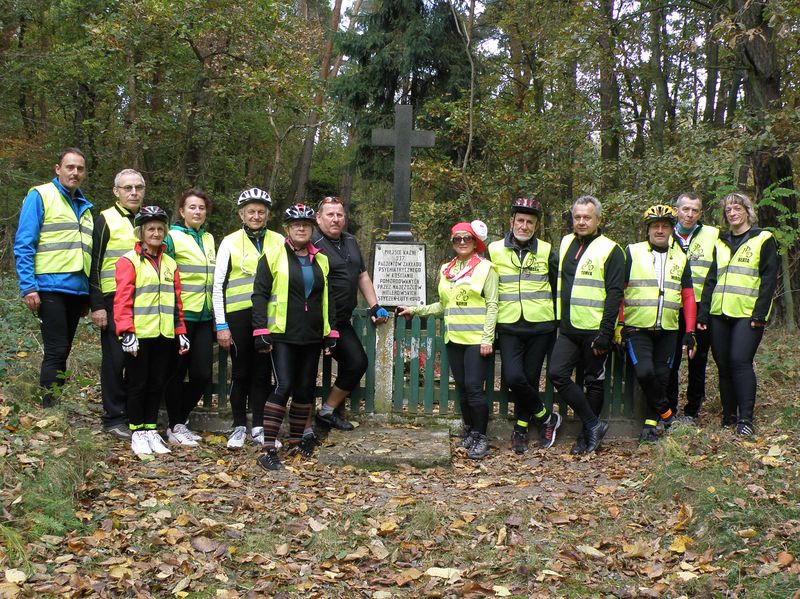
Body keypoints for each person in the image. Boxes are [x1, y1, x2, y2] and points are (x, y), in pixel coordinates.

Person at [398, 220, 498, 460]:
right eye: (457, 239)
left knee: (475, 389)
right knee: (463, 390)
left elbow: (493, 305)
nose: (462, 242)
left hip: (476, 340)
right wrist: (416, 310)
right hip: (454, 338)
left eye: (467, 238)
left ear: (476, 242)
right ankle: (470, 432)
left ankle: (481, 437)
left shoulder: (486, 268)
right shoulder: (447, 269)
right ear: (452, 242)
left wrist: (487, 338)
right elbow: (443, 305)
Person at [251, 204, 336, 471]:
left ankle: (299, 440)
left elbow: (327, 298)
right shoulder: (273, 254)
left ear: (312, 229)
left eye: (306, 225)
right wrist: (261, 330)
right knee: (283, 385)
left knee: (304, 389)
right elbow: (260, 294)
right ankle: (268, 449)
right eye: (295, 224)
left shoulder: (321, 258)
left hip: (311, 335)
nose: (301, 228)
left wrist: (330, 331)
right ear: (287, 229)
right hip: (282, 334)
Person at [14, 148, 94, 407]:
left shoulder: (85, 207)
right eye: (70, 167)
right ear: (57, 169)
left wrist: (87, 295)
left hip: (76, 291)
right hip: (49, 287)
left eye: (80, 169)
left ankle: (54, 401)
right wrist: (28, 287)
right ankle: (49, 407)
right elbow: (24, 243)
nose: (75, 173)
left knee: (64, 350)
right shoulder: (41, 195)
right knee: (56, 350)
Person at [547, 195, 624, 454]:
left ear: (598, 219)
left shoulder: (611, 249)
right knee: (557, 373)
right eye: (577, 217)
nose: (581, 221)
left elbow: (615, 293)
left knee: (593, 380)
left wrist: (606, 333)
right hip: (568, 328)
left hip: (594, 329)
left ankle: (585, 436)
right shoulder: (567, 241)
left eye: (586, 217)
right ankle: (593, 424)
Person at [698, 192, 778, 437]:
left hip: (747, 313)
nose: (732, 213)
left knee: (739, 362)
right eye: (728, 210)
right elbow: (711, 280)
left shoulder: (763, 238)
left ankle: (746, 419)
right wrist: (703, 315)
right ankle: (728, 416)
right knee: (723, 365)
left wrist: (760, 313)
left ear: (747, 211)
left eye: (737, 208)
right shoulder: (720, 242)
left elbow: (768, 280)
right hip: (718, 312)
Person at [617, 205, 697, 443]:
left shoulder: (680, 258)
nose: (660, 230)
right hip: (636, 327)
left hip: (668, 329)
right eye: (655, 226)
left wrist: (690, 331)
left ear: (672, 230)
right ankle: (669, 416)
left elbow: (688, 295)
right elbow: (619, 291)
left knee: (662, 377)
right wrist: (619, 324)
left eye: (664, 226)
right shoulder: (632, 252)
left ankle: (651, 424)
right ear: (648, 229)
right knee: (645, 372)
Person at [113, 206, 190, 456]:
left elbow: (177, 301)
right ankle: (137, 431)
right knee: (138, 384)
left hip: (164, 335)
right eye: (150, 229)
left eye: (159, 229)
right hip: (139, 334)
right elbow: (122, 300)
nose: (155, 233)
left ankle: (150, 429)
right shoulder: (128, 261)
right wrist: (126, 332)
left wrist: (181, 331)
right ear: (141, 232)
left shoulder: (170, 263)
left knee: (157, 383)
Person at [488, 197, 561, 454]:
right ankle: (546, 417)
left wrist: (558, 321)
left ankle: (520, 429)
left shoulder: (546, 250)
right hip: (508, 324)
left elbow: (557, 287)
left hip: (540, 324)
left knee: (530, 378)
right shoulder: (494, 250)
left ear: (536, 226)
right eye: (520, 220)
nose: (524, 225)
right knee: (514, 377)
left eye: (530, 222)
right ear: (511, 222)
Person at [212, 188, 284, 449]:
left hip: (268, 317)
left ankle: (260, 426)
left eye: (261, 212)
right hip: (238, 315)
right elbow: (218, 284)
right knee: (241, 372)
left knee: (263, 373)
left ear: (268, 215)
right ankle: (238, 425)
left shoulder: (279, 240)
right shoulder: (230, 241)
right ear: (242, 214)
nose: (256, 216)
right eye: (251, 211)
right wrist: (221, 324)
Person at [311, 196, 389, 432]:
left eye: (340, 215)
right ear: (318, 217)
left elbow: (362, 275)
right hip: (315, 323)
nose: (335, 219)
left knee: (357, 363)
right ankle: (301, 429)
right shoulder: (311, 242)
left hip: (341, 322)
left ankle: (326, 411)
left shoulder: (351, 242)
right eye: (330, 214)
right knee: (302, 374)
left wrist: (375, 306)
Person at [89, 169, 145, 438]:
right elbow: (94, 264)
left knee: (137, 356)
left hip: (143, 300)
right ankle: (113, 417)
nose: (133, 192)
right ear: (116, 192)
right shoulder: (105, 219)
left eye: (138, 187)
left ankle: (133, 414)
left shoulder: (148, 220)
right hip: (112, 299)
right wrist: (97, 305)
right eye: (127, 188)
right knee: (115, 359)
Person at [163, 189, 216, 446]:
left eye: (201, 208)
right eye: (192, 207)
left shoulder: (209, 239)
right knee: (176, 372)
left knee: (202, 374)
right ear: (182, 211)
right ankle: (174, 425)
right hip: (181, 315)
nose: (197, 212)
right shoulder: (172, 237)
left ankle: (178, 421)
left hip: (205, 317)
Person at [666, 192, 718, 424]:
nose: (689, 214)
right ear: (677, 210)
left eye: (694, 210)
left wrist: (704, 309)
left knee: (697, 359)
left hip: (700, 307)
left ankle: (692, 410)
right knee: (671, 360)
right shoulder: (664, 233)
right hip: (671, 305)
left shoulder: (713, 235)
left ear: (700, 213)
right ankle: (669, 409)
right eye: (685, 209)